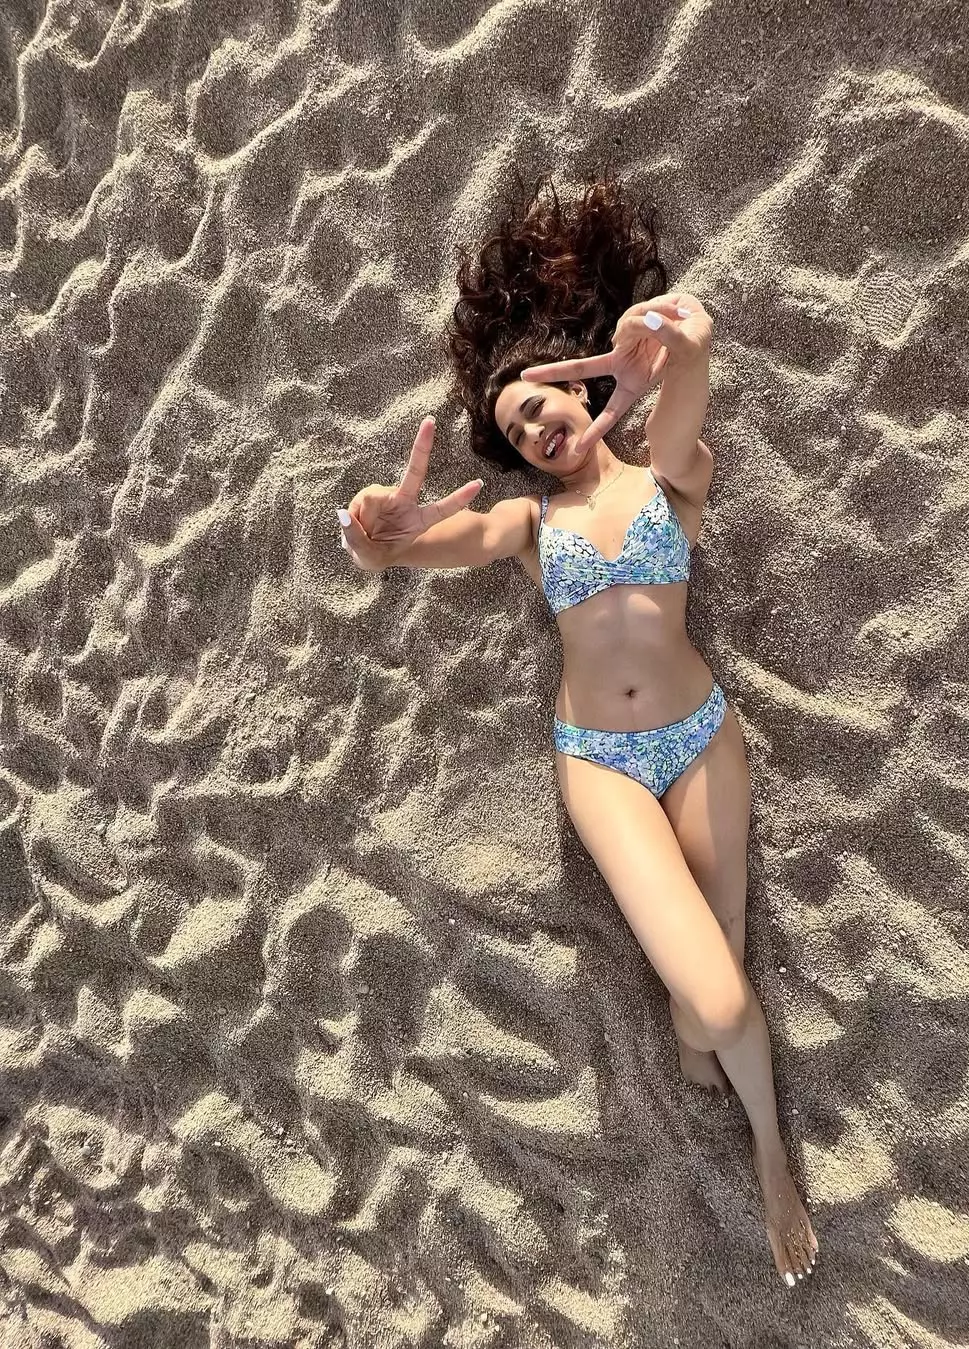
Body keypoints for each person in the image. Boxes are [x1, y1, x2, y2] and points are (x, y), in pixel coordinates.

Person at [337, 169, 818, 1286]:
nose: (536, 427)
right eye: (514, 428)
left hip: (700, 737)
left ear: (576, 385)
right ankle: (760, 1134)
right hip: (601, 762)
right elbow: (410, 551)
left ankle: (742, 1113)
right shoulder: (526, 523)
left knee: (715, 977)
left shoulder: (666, 483)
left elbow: (686, 403)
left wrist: (686, 344)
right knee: (720, 996)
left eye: (539, 402)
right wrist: (373, 536)